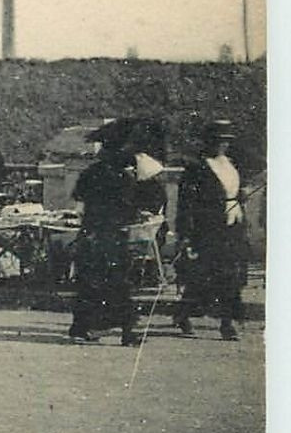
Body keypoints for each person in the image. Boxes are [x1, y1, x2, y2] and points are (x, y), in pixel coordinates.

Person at [68, 119, 165, 346]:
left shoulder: (92, 173)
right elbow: (125, 205)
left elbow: (81, 203)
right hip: (110, 236)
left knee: (91, 284)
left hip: (92, 234)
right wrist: (136, 214)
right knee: (117, 283)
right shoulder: (121, 177)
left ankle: (83, 328)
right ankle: (126, 332)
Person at [174, 120, 249, 341]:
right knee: (205, 276)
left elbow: (235, 190)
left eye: (225, 141)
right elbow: (186, 203)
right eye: (217, 141)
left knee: (232, 275)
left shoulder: (230, 164)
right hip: (209, 228)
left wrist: (240, 195)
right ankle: (186, 314)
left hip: (234, 225)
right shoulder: (197, 168)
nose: (221, 145)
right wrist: (186, 233)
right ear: (207, 142)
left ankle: (226, 323)